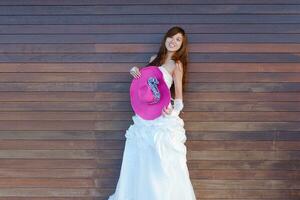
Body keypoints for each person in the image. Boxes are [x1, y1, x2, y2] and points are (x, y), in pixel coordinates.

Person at [108, 26, 196, 200]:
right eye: (171, 37)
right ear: (165, 39)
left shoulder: (176, 64)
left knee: (161, 161)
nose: (173, 41)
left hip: (163, 116)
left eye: (178, 40)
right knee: (140, 159)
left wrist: (173, 111)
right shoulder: (154, 59)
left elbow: (178, 96)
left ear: (181, 45)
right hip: (145, 115)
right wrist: (136, 74)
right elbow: (143, 84)